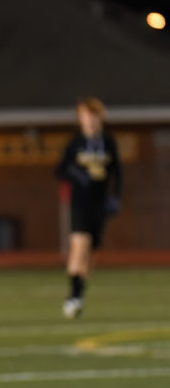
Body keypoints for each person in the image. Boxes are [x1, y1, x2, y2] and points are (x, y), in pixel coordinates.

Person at [55, 97, 122, 319]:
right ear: (81, 119)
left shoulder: (108, 142)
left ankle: (79, 294)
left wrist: (116, 197)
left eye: (94, 116)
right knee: (79, 244)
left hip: (99, 204)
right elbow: (60, 170)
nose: (90, 120)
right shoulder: (75, 143)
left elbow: (117, 172)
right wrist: (78, 175)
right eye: (86, 116)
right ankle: (72, 296)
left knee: (91, 253)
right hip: (80, 202)